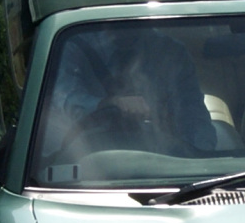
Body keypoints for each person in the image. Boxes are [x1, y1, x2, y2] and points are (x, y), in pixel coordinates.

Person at [39, 24, 215, 158]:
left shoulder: (171, 53)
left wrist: (200, 161)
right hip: (84, 163)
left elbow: (194, 116)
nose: (123, 31)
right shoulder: (71, 43)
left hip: (162, 162)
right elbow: (62, 98)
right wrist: (106, 105)